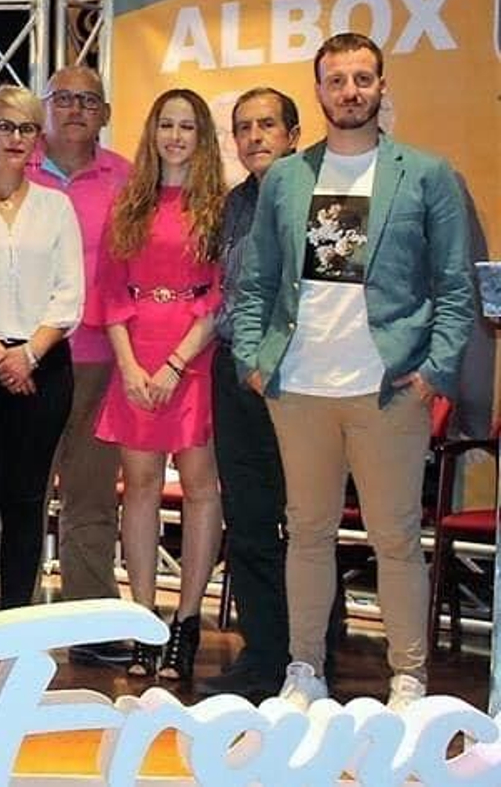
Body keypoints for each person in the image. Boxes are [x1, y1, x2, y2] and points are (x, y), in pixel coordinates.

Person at [232, 32, 474, 712]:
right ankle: (303, 669)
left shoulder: (425, 174)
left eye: (362, 78)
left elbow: (455, 287)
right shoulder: (287, 178)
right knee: (306, 533)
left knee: (395, 538)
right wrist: (253, 360)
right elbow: (256, 283)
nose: (350, 91)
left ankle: (409, 677)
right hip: (298, 388)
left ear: (381, 86)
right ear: (319, 90)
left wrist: (433, 371)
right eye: (336, 80)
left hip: (388, 390)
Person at [91, 88, 225, 682]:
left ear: (203, 137)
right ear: (152, 132)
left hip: (194, 354)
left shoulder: (219, 207)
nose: (175, 136)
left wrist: (176, 363)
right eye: (166, 125)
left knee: (200, 488)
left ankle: (187, 624)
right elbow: (110, 289)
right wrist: (129, 365)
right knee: (140, 488)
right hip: (136, 355)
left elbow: (221, 294)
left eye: (187, 127)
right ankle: (145, 621)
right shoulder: (129, 202)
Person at [0, 85, 82, 684]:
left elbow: (70, 295)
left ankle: (17, 633)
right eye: (2, 126)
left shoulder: (56, 207)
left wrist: (27, 355)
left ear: (38, 139)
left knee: (28, 502)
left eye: (26, 128)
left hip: (44, 366)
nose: (14, 138)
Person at [194, 87, 300, 700]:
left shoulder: (316, 196)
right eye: (243, 128)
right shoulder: (234, 203)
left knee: (304, 525)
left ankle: (309, 656)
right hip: (236, 373)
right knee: (251, 521)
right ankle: (262, 656)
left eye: (267, 125)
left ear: (292, 134)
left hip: (297, 378)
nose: (255, 137)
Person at [30, 66, 134, 668]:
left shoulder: (127, 178)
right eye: (63, 98)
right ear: (44, 107)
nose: (74, 109)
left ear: (105, 113)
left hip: (100, 360)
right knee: (18, 496)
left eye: (88, 101)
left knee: (91, 498)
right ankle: (5, 623)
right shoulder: (10, 166)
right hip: (23, 362)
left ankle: (92, 624)